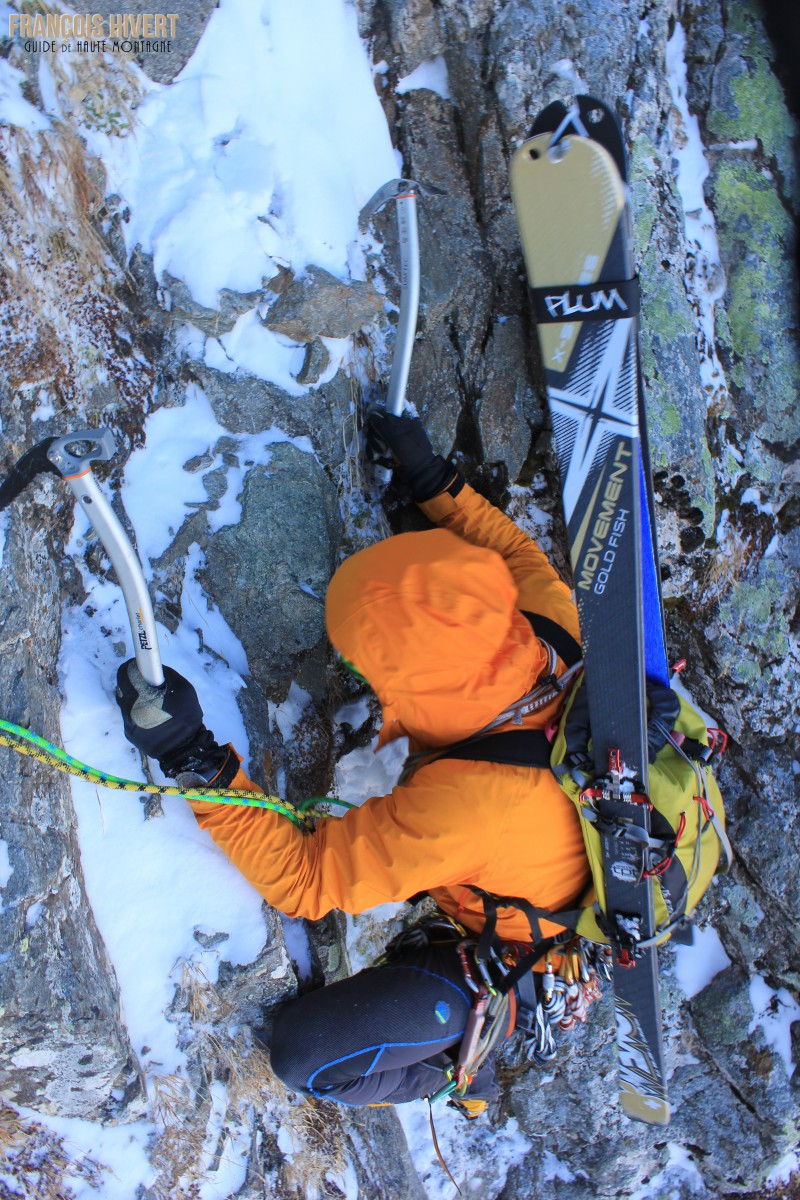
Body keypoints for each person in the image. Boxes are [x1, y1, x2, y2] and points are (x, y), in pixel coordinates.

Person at [116, 412, 591, 1113]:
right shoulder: (551, 633)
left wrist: (196, 760)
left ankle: (458, 1070)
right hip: (562, 856)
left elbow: (307, 880)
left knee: (307, 1057)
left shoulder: (469, 808)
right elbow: (513, 554)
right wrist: (433, 479)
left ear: (399, 685)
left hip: (513, 955)